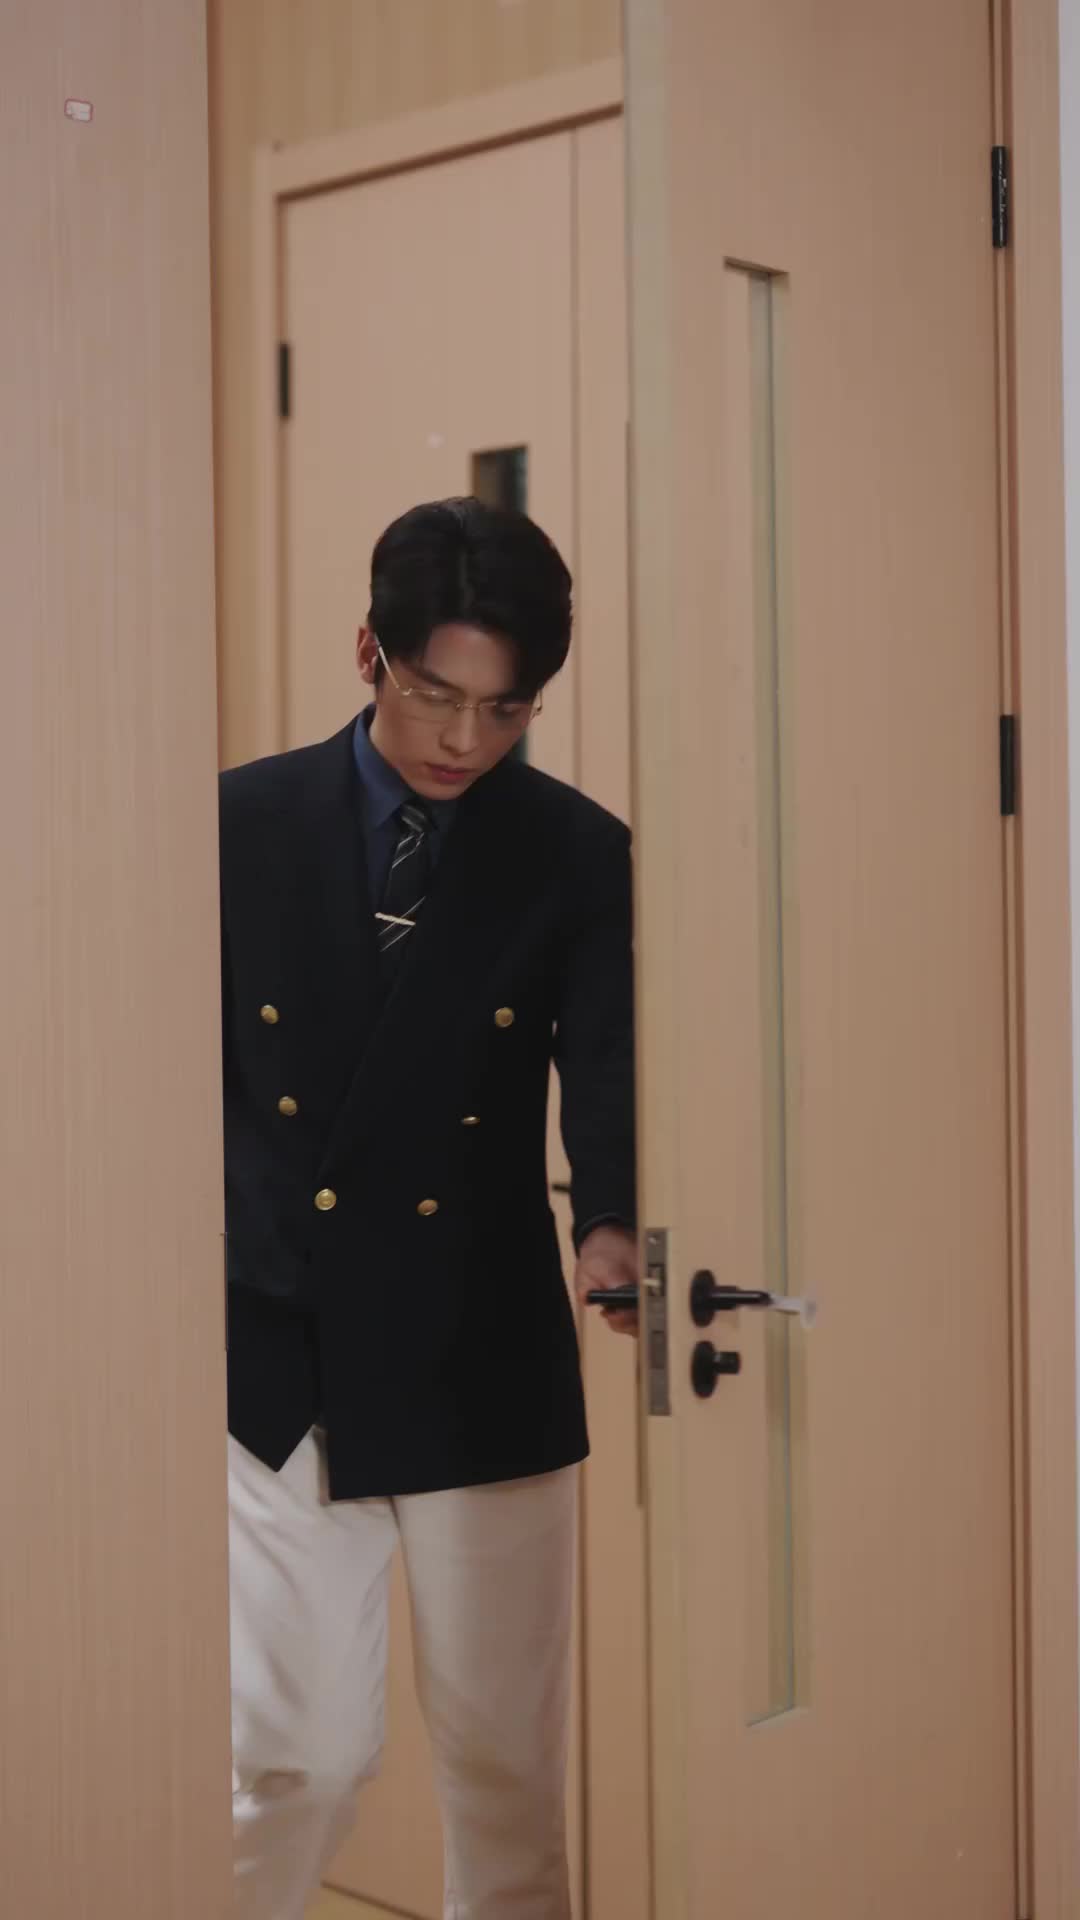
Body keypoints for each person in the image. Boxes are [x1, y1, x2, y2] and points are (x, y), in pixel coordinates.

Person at [220, 496, 637, 1920]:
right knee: (294, 1759)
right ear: (369, 654)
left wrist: (609, 1221)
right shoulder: (236, 823)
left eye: (505, 710)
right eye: (434, 695)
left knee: (507, 1784)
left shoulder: (574, 850)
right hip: (279, 1344)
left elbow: (605, 1061)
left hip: (481, 1347)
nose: (464, 740)